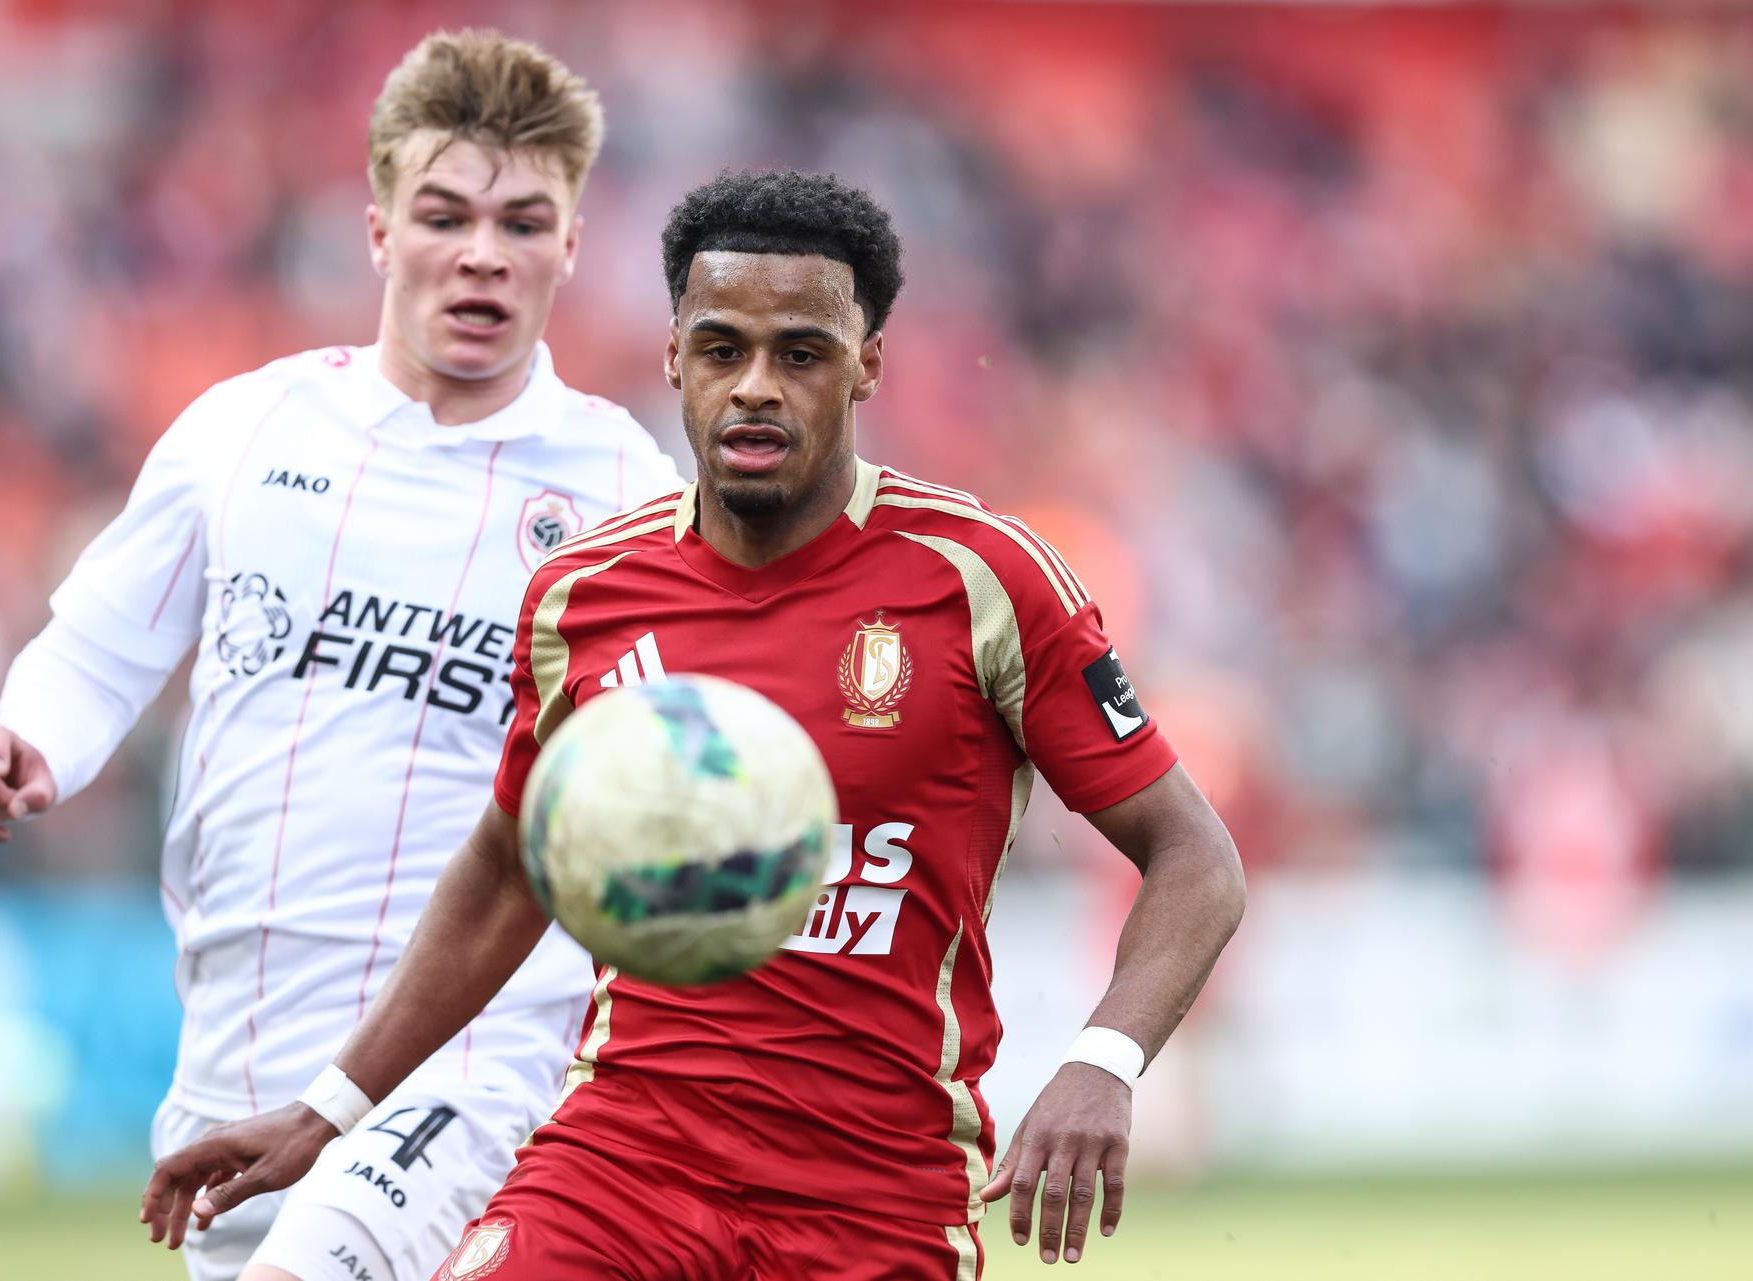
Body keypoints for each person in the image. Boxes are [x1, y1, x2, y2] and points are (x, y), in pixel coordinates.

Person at [142, 170, 1245, 1280]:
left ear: (866, 365)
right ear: (674, 355)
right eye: (722, 350)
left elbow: (1196, 857)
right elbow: (506, 869)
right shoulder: (584, 595)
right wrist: (330, 1107)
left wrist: (1103, 1060)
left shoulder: (981, 580)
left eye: (801, 354)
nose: (756, 387)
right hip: (621, 1165)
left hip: (875, 1195)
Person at [0, 30, 678, 1281]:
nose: (483, 253)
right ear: (381, 231)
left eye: (523, 220)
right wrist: (31, 740)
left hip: (479, 1053)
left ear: (571, 245)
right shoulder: (246, 428)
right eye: (445, 214)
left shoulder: (626, 493)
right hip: (236, 1044)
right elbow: (100, 649)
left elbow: (665, 780)